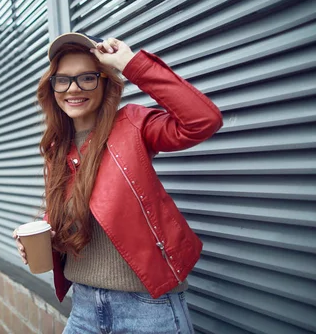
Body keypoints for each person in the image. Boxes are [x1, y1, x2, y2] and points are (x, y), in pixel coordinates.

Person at [12, 33, 223, 334]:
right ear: (53, 87)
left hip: (148, 308)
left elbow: (203, 120)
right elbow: (78, 209)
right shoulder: (59, 149)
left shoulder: (134, 124)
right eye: (63, 80)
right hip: (84, 307)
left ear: (105, 82)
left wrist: (131, 63)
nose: (73, 88)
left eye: (87, 78)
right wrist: (44, 233)